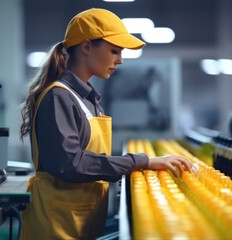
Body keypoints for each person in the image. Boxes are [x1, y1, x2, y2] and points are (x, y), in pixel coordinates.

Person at [19, 8, 193, 240]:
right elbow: (70, 163)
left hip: (80, 219)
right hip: (57, 225)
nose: (120, 60)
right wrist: (143, 161)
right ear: (87, 46)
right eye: (114, 51)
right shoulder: (59, 97)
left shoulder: (88, 98)